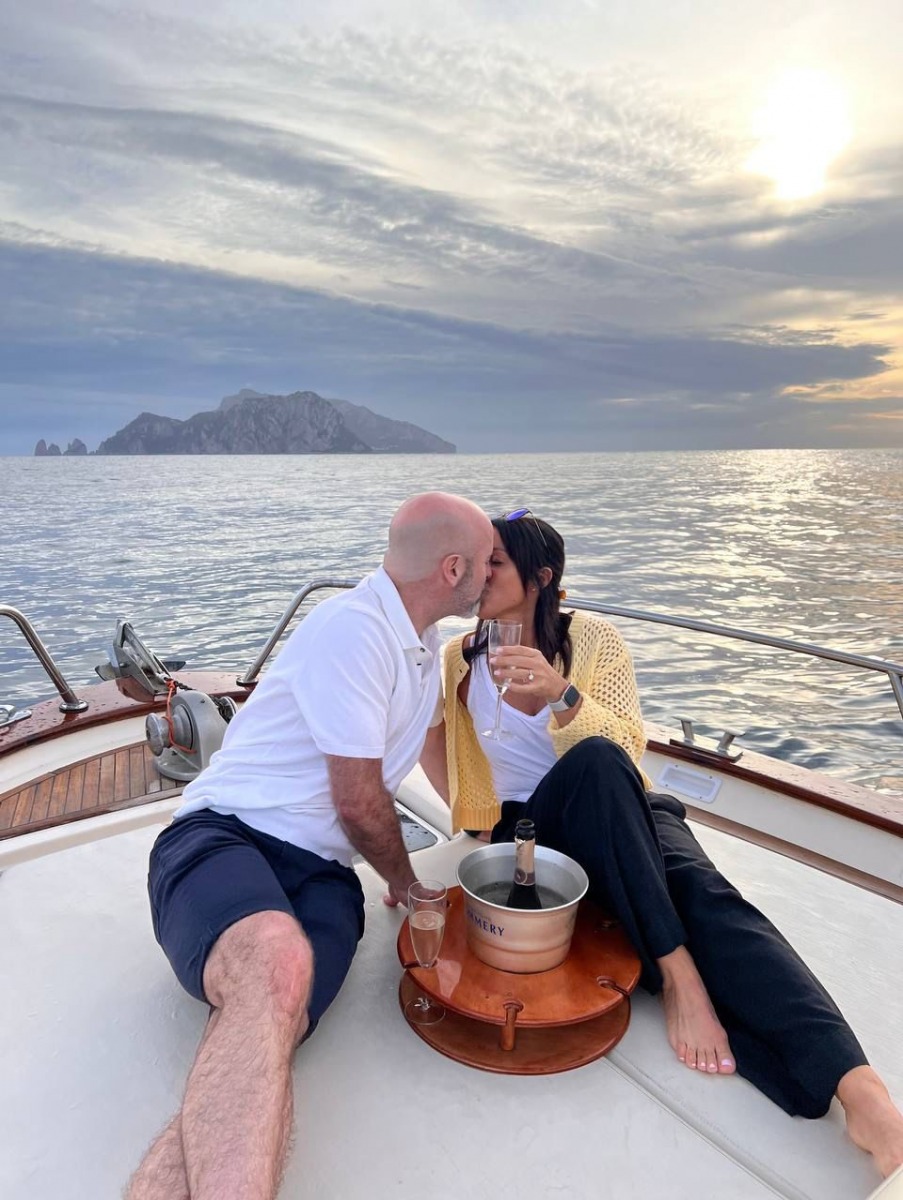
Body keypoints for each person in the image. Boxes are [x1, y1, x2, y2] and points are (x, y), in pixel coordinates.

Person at [419, 509, 903, 1180]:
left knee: (704, 892)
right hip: (535, 825)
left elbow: (625, 748)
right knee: (604, 785)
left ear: (540, 577)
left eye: (494, 562)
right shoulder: (459, 656)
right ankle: (681, 976)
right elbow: (432, 735)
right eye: (475, 561)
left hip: (622, 801)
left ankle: (859, 1089)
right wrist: (467, 816)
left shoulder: (592, 640)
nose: (478, 574)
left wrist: (561, 695)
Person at [126, 492, 494, 1200]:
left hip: (323, 872)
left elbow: (425, 753)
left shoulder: (421, 649)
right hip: (226, 835)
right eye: (485, 562)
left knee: (267, 1026)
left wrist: (476, 825)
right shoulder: (353, 630)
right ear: (453, 569)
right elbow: (358, 801)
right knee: (277, 965)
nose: (490, 574)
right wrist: (408, 883)